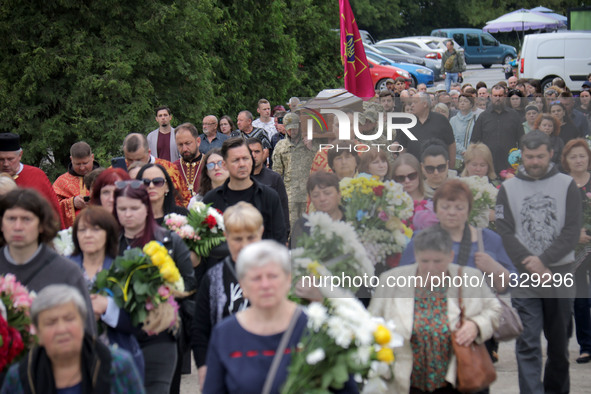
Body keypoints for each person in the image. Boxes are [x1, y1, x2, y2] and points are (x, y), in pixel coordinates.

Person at [203, 240, 358, 393]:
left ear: (288, 279)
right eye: (256, 278)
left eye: (272, 276)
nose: (265, 285)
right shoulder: (225, 334)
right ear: (242, 285)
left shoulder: (316, 328)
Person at [496, 131, 581, 394]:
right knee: (528, 343)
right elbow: (505, 230)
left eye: (540, 156)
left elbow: (571, 231)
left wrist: (544, 261)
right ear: (522, 154)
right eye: (529, 157)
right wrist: (530, 263)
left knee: (558, 346)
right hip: (525, 277)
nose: (534, 162)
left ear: (551, 154)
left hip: (560, 274)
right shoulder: (508, 189)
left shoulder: (567, 185)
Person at [369, 226, 501, 393]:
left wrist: (476, 325)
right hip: (405, 379)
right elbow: (372, 323)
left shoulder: (470, 277)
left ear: (450, 257)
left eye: (438, 261)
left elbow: (494, 309)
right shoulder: (390, 281)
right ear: (416, 256)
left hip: (454, 377)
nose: (431, 267)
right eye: (424, 261)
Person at [113, 181, 196, 394]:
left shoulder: (170, 241)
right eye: (122, 209)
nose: (128, 214)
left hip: (160, 332)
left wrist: (158, 289)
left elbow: (189, 283)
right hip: (120, 332)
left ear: (147, 209)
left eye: (134, 208)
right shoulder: (111, 244)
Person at [0, 285, 144, 394]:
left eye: (69, 319)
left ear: (82, 323)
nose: (62, 329)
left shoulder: (118, 367)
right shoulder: (21, 376)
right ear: (38, 333)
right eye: (51, 322)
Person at [0, 188, 96, 334]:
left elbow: (87, 333)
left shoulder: (66, 272)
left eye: (26, 219)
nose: (18, 227)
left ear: (41, 225)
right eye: (11, 219)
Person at [191, 202, 264, 390]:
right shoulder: (214, 277)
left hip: (267, 363)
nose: (244, 245)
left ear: (261, 233)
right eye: (237, 239)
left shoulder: (276, 273)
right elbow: (200, 328)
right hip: (225, 366)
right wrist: (203, 367)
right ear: (226, 236)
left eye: (251, 237)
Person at [68, 206, 145, 377]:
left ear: (108, 234)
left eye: (95, 229)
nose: (88, 235)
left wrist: (107, 307)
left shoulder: (125, 268)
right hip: (72, 363)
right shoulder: (64, 269)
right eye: (82, 230)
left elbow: (139, 322)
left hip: (118, 361)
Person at [400, 179, 514, 291]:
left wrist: (496, 269)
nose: (452, 213)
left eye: (459, 208)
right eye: (445, 207)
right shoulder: (421, 240)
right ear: (435, 209)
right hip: (435, 307)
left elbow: (512, 283)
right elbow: (401, 282)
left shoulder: (489, 239)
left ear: (469, 210)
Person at [203, 137, 287, 244]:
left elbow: (279, 240)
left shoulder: (269, 197)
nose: (242, 164)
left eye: (245, 158)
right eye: (236, 160)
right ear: (225, 165)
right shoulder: (211, 199)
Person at [561, 138, 591, 364]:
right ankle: (585, 346)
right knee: (579, 300)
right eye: (574, 157)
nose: (579, 160)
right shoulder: (562, 185)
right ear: (566, 161)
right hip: (573, 251)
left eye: (582, 155)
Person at [0, 133, 62, 227]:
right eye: (1, 159)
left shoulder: (37, 175)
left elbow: (53, 212)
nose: (6, 164)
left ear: (20, 155)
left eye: (10, 159)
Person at [271, 113, 316, 230]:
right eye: (289, 128)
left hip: (309, 193)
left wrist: (311, 148)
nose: (293, 131)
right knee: (292, 227)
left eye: (295, 127)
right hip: (290, 195)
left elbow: (319, 163)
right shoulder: (280, 146)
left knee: (310, 226)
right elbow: (276, 173)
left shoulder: (310, 143)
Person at [470, 84, 524, 175]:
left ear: (505, 97)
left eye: (500, 95)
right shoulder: (483, 117)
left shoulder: (514, 115)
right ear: (491, 97)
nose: (498, 98)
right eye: (495, 96)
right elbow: (475, 141)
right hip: (488, 164)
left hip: (510, 164)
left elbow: (522, 139)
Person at [122, 133, 186, 206]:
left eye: (139, 159)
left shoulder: (169, 169)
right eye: (129, 160)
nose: (134, 164)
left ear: (149, 152)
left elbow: (183, 200)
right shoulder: (118, 170)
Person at [395, 92, 456, 168]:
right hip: (415, 168)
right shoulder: (408, 123)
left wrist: (451, 165)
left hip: (437, 168)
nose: (412, 105)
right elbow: (403, 147)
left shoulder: (441, 120)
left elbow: (451, 144)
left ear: (425, 104)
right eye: (411, 103)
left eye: (415, 102)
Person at [53, 142, 101, 228]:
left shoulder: (104, 177)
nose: (82, 168)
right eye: (78, 164)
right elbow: (51, 207)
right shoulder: (61, 182)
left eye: (85, 163)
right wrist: (72, 203)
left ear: (92, 157)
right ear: (71, 159)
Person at [290, 172, 343, 249]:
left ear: (339, 194)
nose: (322, 199)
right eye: (316, 195)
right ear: (310, 198)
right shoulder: (302, 225)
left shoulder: (353, 221)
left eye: (327, 193)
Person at [248, 138, 289, 236]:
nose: (253, 155)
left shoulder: (274, 178)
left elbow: (283, 208)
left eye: (257, 151)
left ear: (263, 153)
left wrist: (285, 234)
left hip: (270, 234)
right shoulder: (239, 179)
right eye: (250, 152)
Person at [173, 122, 203, 203]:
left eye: (188, 143)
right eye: (180, 145)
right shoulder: (172, 168)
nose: (184, 148)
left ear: (198, 141)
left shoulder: (209, 164)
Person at [450, 94, 478, 168]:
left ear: (471, 104)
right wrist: (463, 151)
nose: (462, 103)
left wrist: (470, 151)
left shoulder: (476, 119)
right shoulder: (453, 120)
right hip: (458, 158)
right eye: (460, 101)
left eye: (465, 101)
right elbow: (452, 138)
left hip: (473, 156)